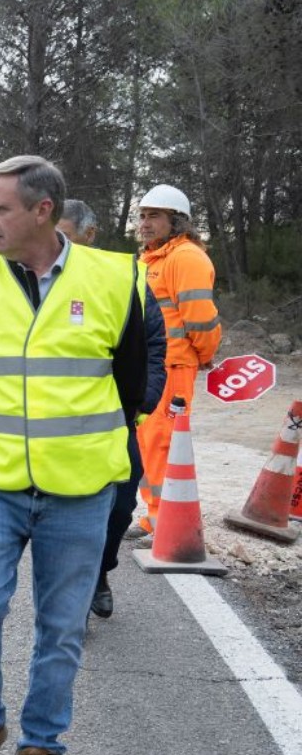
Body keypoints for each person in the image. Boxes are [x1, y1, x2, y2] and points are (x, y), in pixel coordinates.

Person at [0, 156, 145, 755]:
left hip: (79, 488)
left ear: (43, 211)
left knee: (61, 629)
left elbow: (134, 380)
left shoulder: (115, 277)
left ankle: (41, 751)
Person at [58, 199, 167, 618]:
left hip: (114, 422)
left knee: (120, 505)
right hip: (55, 423)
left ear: (90, 235)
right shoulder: (38, 281)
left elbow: (155, 345)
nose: (57, 246)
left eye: (65, 237)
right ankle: (72, 596)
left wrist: (143, 399)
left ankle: (100, 570)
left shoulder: (126, 279)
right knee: (63, 512)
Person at [133, 184, 222, 537]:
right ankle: (154, 514)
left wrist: (202, 356)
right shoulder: (151, 259)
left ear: (177, 221)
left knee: (163, 442)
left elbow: (200, 318)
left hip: (174, 367)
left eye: (154, 216)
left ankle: (165, 520)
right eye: (142, 215)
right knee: (145, 442)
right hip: (153, 365)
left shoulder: (186, 257)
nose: (145, 223)